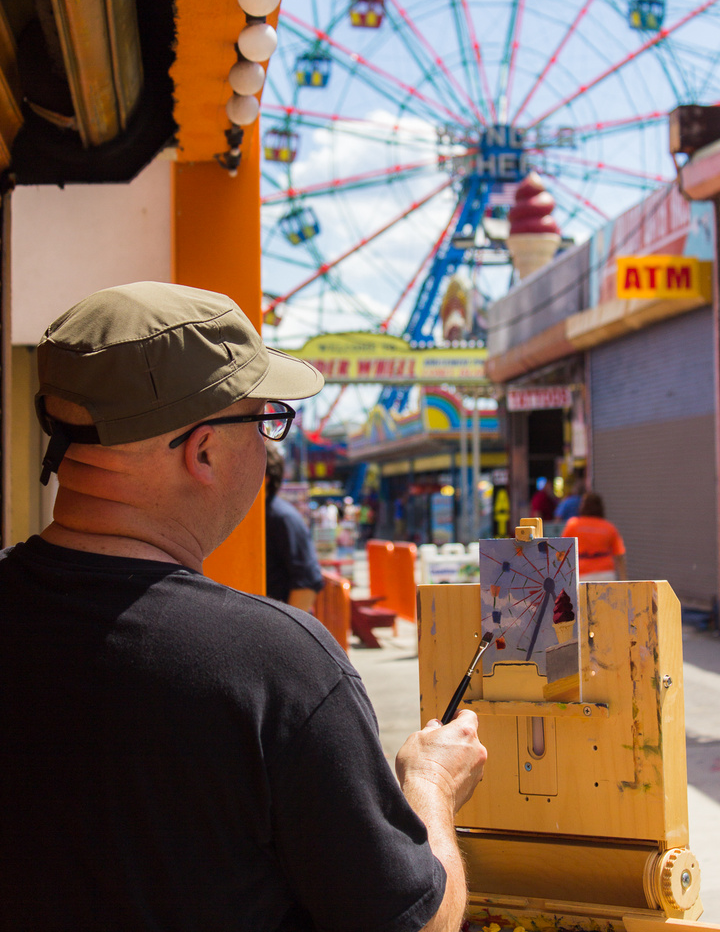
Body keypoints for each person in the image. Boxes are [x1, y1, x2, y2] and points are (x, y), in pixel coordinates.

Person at [0, 281, 486, 932]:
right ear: (204, 450)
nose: (268, 448)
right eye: (266, 422)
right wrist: (431, 784)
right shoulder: (276, 668)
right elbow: (421, 921)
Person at [265, 443, 324, 611]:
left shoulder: (282, 518)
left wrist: (286, 632)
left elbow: (307, 581)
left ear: (266, 477)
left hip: (276, 626)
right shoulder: (254, 516)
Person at [562, 491, 627, 581]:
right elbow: (619, 555)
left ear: (583, 506)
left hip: (581, 574)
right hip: (606, 574)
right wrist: (624, 579)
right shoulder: (609, 527)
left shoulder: (573, 525)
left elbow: (562, 549)